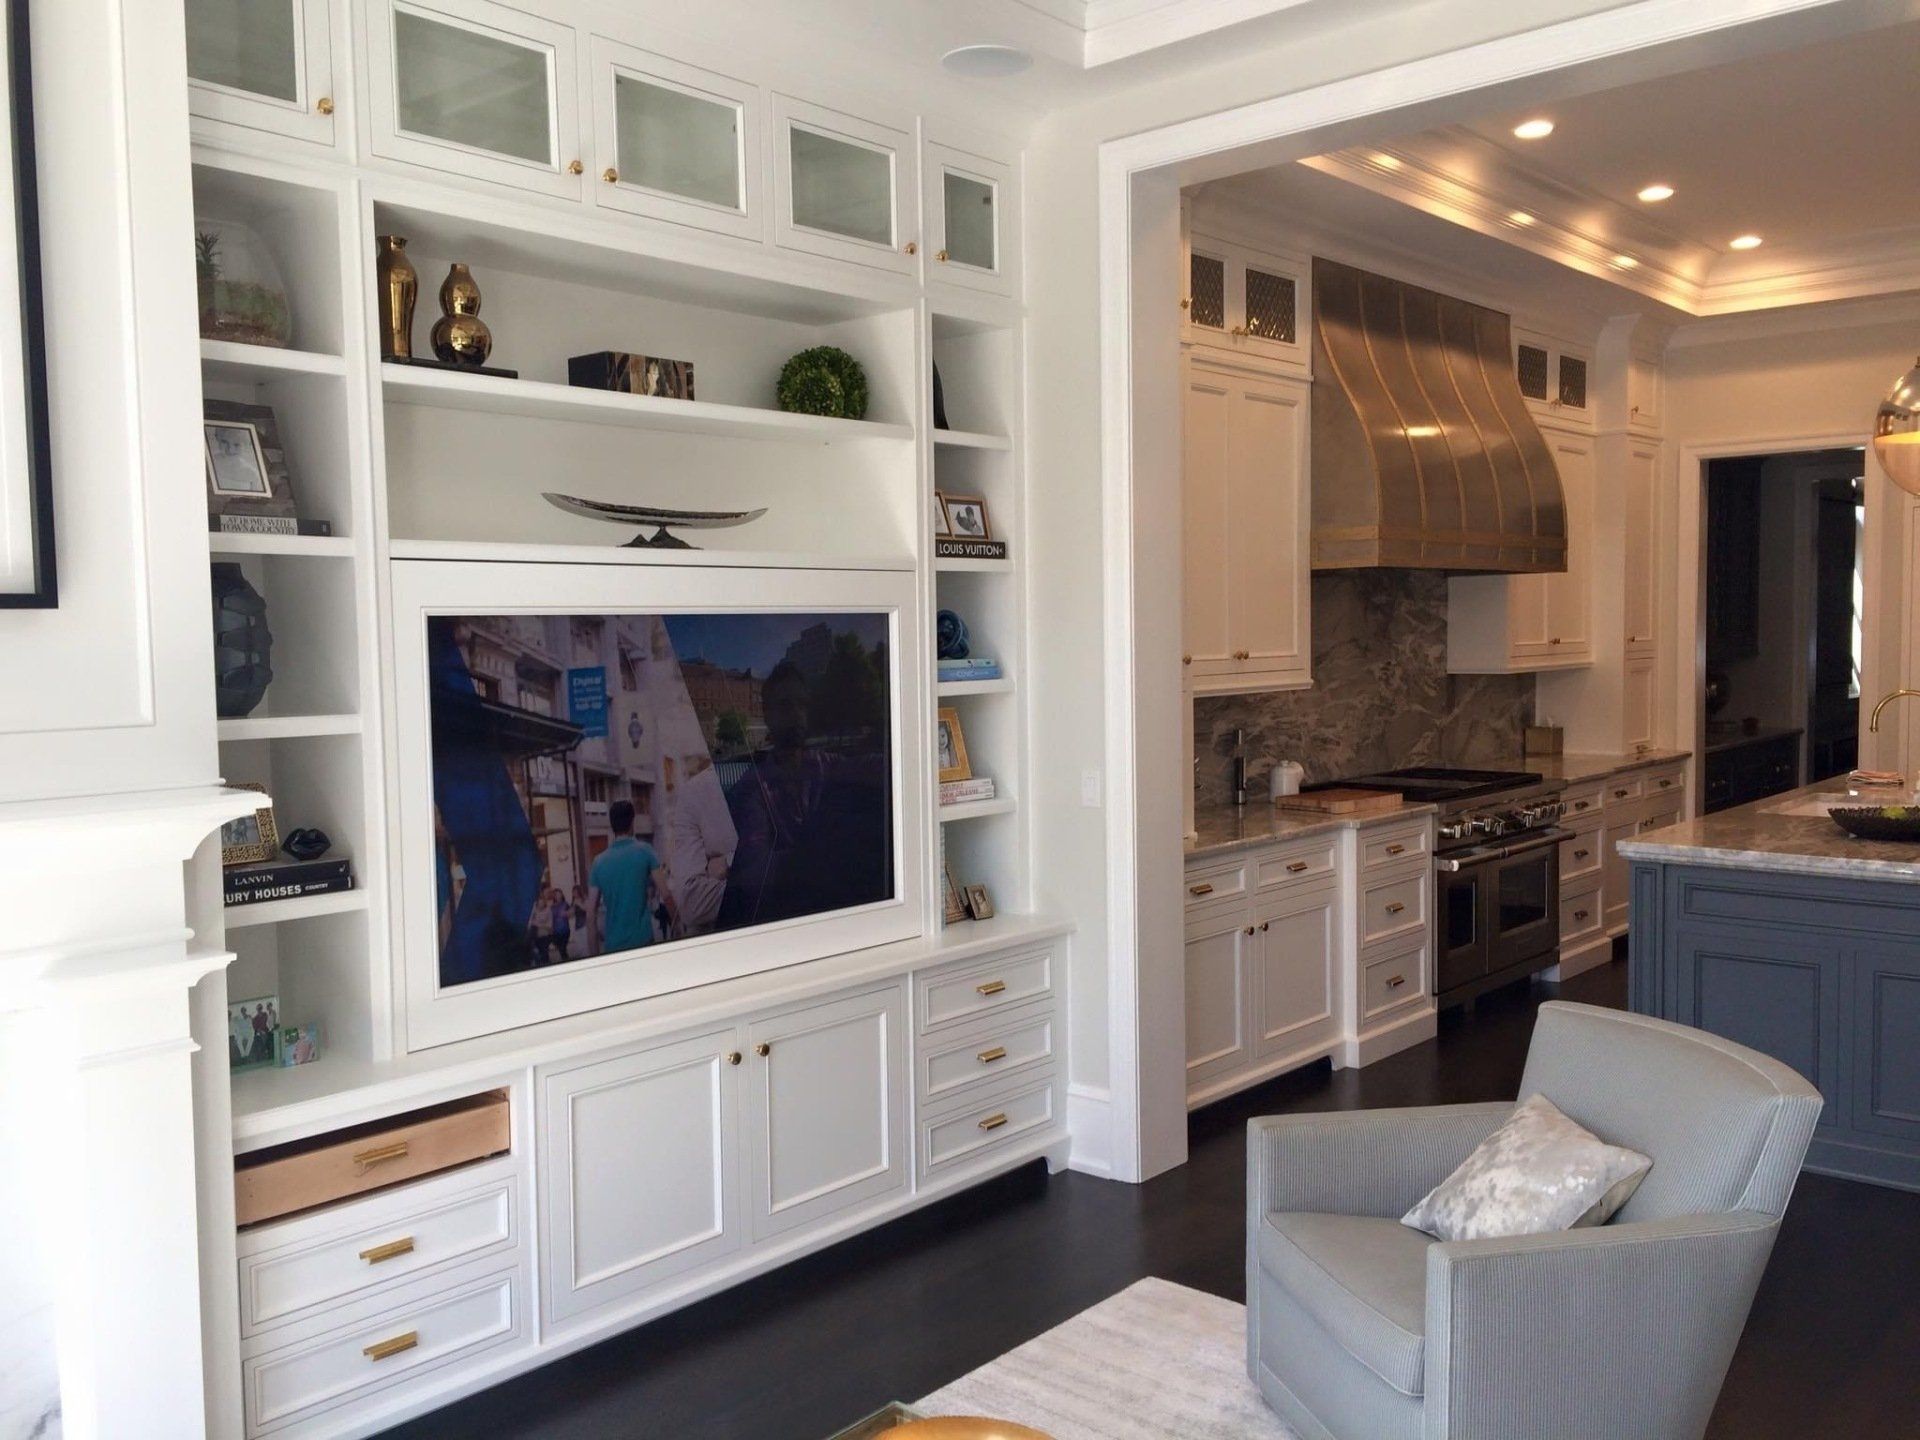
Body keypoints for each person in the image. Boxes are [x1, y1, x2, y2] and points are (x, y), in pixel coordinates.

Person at [588, 799, 676, 954]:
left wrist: (593, 955)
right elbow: (666, 895)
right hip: (643, 942)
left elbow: (590, 913)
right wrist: (678, 927)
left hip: (614, 946)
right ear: (632, 822)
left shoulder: (598, 862)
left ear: (612, 825)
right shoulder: (645, 851)